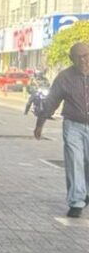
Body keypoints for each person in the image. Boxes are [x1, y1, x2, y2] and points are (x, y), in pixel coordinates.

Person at [34, 42, 89, 218]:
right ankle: (76, 201)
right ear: (71, 59)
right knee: (74, 161)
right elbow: (52, 101)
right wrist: (40, 124)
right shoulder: (64, 77)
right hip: (73, 125)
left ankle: (85, 192)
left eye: (86, 55)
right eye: (79, 57)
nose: (83, 60)